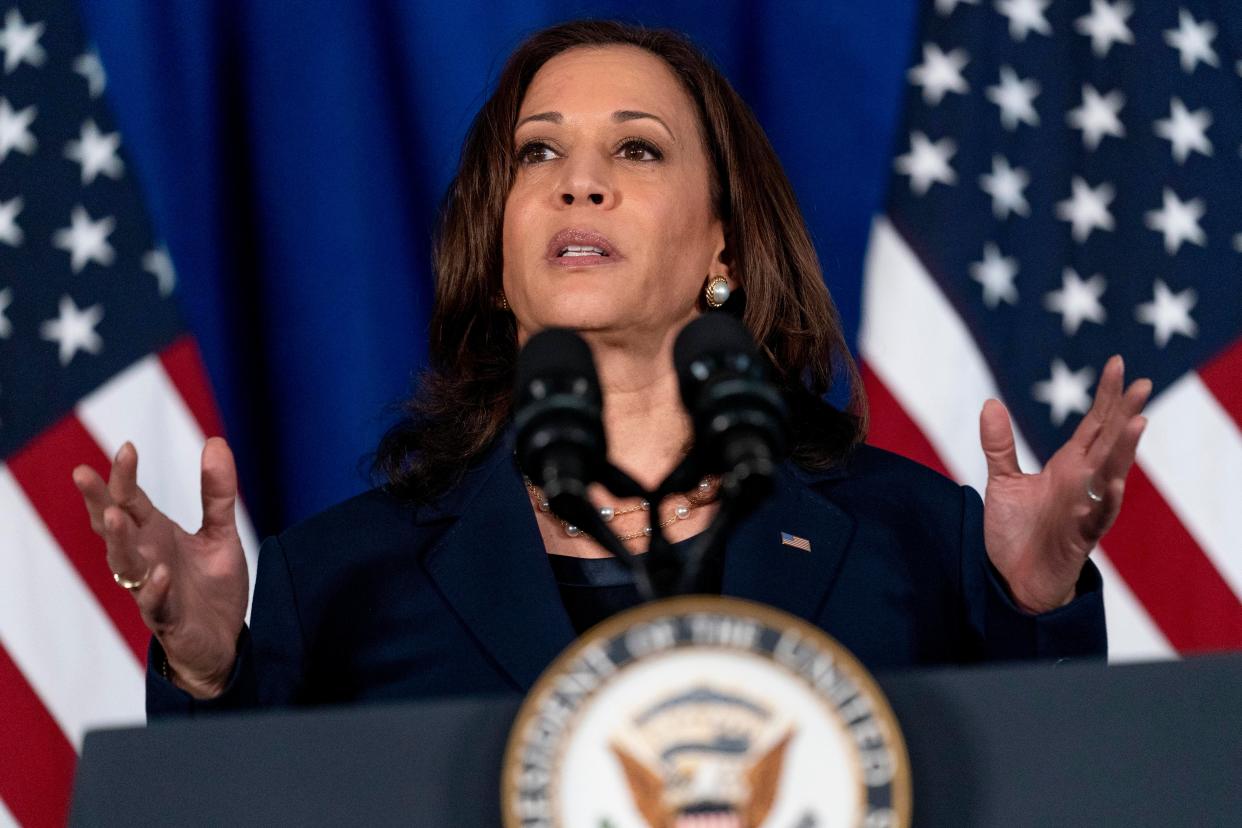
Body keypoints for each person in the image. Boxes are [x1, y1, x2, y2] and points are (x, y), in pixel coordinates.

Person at [73, 21, 1150, 713]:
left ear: (723, 244)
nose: (577, 184)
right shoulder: (337, 583)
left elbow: (1043, 789)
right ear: (497, 249)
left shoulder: (917, 540)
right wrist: (210, 680)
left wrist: (1036, 603)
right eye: (538, 153)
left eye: (636, 150)